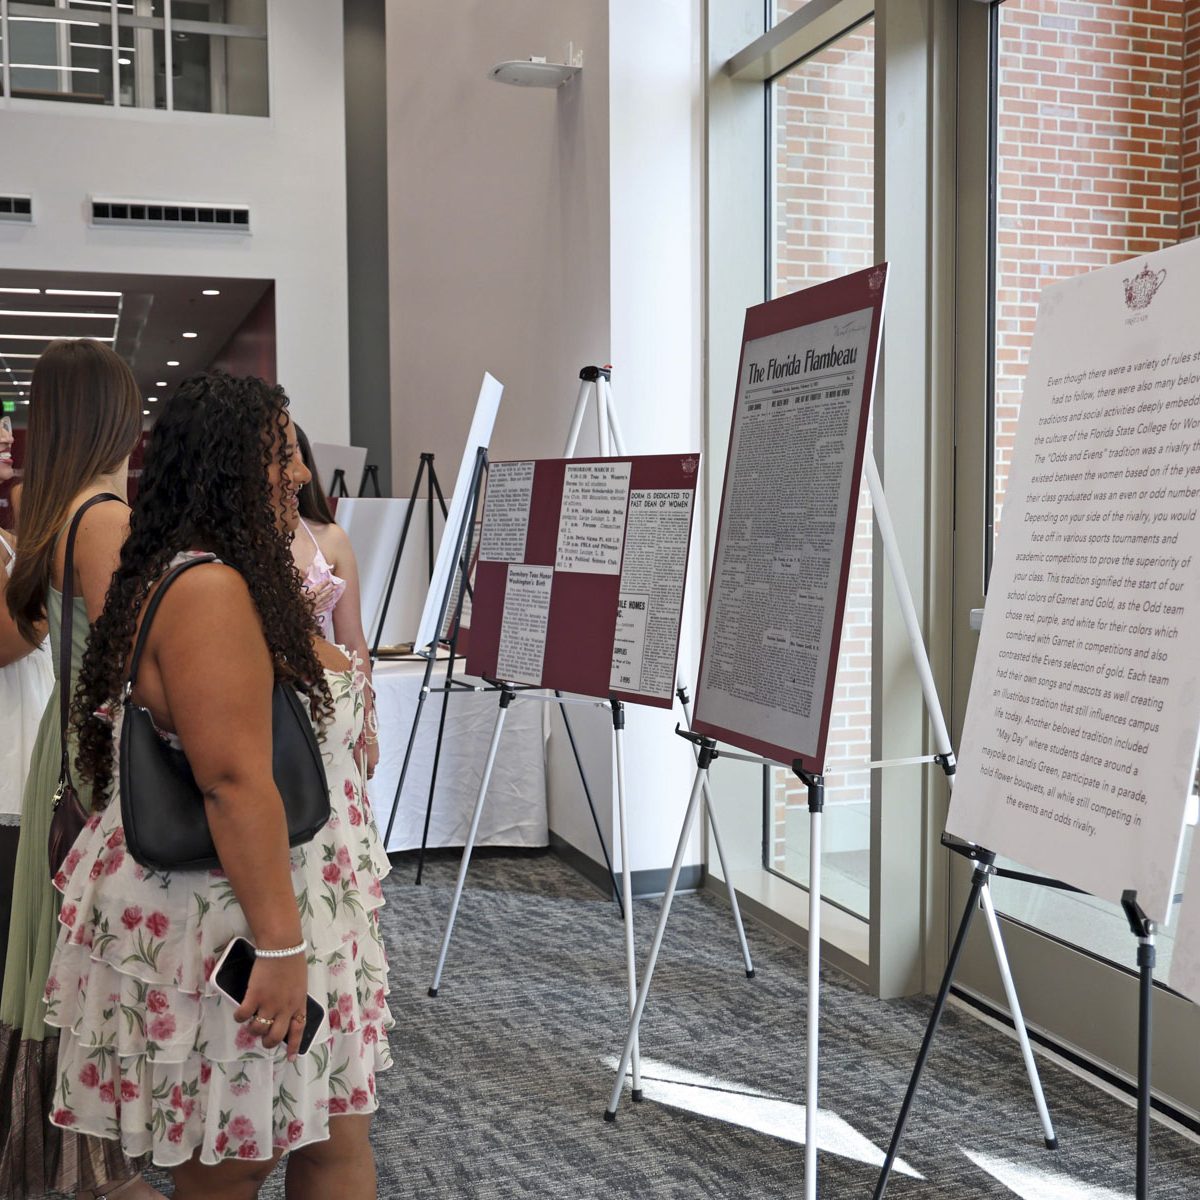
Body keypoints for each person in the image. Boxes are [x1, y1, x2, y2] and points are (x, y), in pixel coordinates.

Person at [45, 372, 392, 1199]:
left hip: (296, 899)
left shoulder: (242, 578)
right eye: (279, 455)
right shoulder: (207, 590)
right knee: (233, 1167)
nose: (299, 472)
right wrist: (280, 948)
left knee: (333, 1138)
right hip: (242, 914)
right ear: (227, 467)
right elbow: (233, 783)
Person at [0, 341, 155, 1199]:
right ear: (115, 418)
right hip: (105, 761)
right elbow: (144, 667)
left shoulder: (64, 514)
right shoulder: (102, 521)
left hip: (73, 751)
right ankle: (99, 1167)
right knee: (104, 964)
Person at [0, 415, 55, 996]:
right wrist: (55, 567)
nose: (6, 434)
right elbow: (7, 640)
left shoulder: (11, 540)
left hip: (36, 732)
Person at [289, 425, 378, 779]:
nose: (295, 471)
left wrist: (368, 728)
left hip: (331, 699)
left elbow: (353, 641)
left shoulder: (331, 538)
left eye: (295, 454)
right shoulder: (240, 542)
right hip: (269, 700)